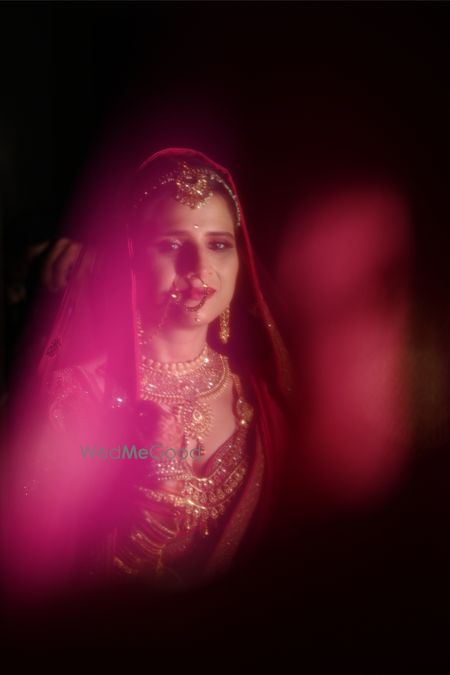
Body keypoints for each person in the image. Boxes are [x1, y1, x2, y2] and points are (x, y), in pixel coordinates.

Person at [3, 147, 292, 600]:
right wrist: (142, 516)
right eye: (172, 245)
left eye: (219, 244)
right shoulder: (73, 396)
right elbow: (29, 573)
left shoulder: (260, 399)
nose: (200, 268)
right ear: (130, 259)